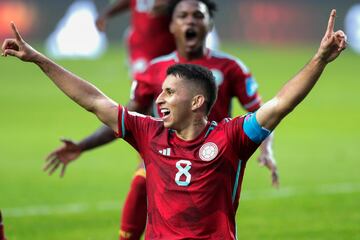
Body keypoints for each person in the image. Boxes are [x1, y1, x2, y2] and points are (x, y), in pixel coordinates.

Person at [2, 8, 346, 239]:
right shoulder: (149, 132)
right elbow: (93, 100)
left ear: (197, 102)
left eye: (169, 93)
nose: (160, 100)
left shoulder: (232, 138)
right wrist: (38, 59)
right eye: (160, 92)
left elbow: (280, 103)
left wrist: (319, 60)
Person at [46, 0, 276, 238]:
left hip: (213, 160)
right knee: (140, 183)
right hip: (165, 153)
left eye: (198, 15)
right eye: (183, 16)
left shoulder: (231, 68)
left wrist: (266, 149)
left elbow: (262, 116)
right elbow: (123, 117)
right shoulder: (154, 70)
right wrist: (83, 146)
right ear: (171, 25)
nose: (190, 21)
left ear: (209, 24)